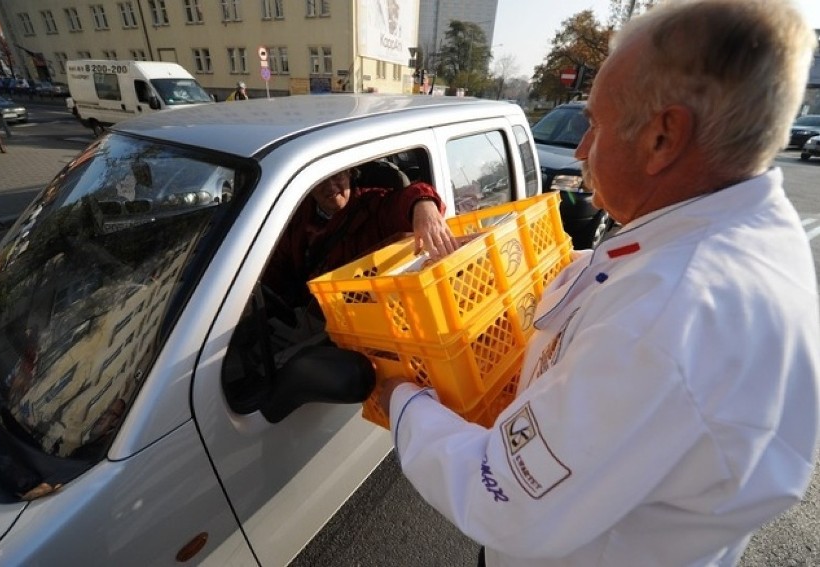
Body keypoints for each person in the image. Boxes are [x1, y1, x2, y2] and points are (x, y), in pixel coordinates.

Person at [379, 1, 820, 565]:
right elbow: (613, 278)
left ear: (663, 137)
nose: (582, 149)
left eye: (596, 124)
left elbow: (502, 497)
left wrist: (401, 398)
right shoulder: (739, 234)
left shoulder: (663, 320)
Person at [262, 165, 457, 309]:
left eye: (336, 174)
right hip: (306, 312)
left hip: (359, 314)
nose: (330, 186)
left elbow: (407, 199)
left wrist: (424, 204)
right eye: (319, 180)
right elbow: (274, 269)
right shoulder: (296, 217)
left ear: (349, 173)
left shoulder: (373, 205)